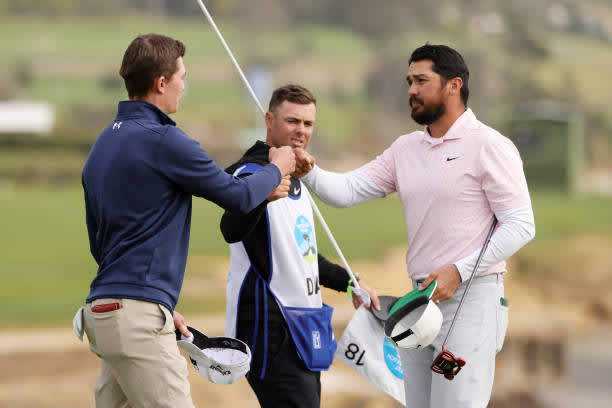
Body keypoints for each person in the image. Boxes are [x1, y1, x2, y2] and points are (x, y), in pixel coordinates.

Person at [295, 45, 535, 407]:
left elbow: (521, 224)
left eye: (421, 80)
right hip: (418, 304)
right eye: (409, 81)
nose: (411, 89)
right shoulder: (406, 149)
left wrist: (458, 270)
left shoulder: (489, 145)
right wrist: (308, 169)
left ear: (454, 86)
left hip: (472, 299)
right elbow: (347, 190)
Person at [80, 33, 295, 408]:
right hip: (137, 321)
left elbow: (101, 244)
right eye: (182, 76)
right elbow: (239, 196)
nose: (185, 85)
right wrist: (277, 168)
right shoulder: (165, 140)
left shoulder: (101, 143)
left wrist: (154, 302)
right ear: (161, 83)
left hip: (102, 312)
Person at [220, 84, 380, 408]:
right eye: (292, 121)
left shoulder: (297, 178)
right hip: (270, 330)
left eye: (307, 124)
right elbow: (230, 228)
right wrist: (265, 189)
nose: (301, 131)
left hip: (305, 329)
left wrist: (351, 282)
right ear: (269, 119)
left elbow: (305, 258)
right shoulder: (251, 173)